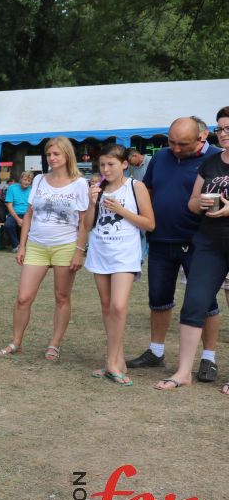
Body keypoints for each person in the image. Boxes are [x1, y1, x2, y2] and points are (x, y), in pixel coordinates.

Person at [128, 117, 221, 382]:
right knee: (159, 298)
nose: (176, 149)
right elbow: (148, 190)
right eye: (171, 142)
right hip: (161, 239)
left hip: (200, 242)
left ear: (201, 138)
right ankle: (156, 351)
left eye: (183, 144)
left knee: (205, 302)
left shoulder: (216, 159)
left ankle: (208, 358)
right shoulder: (161, 157)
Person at [0, 136, 89, 360]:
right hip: (37, 245)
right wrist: (22, 245)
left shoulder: (79, 183)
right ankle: (16, 342)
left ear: (67, 155)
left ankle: (54, 344)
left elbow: (84, 221)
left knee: (61, 297)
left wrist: (79, 250)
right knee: (23, 297)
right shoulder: (39, 180)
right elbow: (29, 214)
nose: (52, 158)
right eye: (48, 154)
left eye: (56, 154)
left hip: (65, 245)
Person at [156, 109, 229, 391]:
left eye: (228, 129)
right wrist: (201, 204)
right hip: (209, 242)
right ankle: (183, 372)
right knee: (194, 303)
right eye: (220, 128)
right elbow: (192, 201)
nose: (223, 133)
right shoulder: (211, 162)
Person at [83, 144, 156, 386]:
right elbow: (87, 226)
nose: (106, 169)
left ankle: (111, 361)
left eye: (111, 164)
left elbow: (149, 224)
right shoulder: (97, 188)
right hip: (100, 252)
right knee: (107, 307)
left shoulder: (136, 187)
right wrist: (92, 203)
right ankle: (118, 360)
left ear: (124, 164)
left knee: (118, 306)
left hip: (125, 254)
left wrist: (121, 210)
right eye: (102, 164)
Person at [4, 172, 33, 251]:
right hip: (15, 213)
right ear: (20, 179)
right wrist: (18, 219)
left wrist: (27, 218)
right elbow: (9, 205)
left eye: (29, 180)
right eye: (25, 180)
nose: (26, 182)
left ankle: (27, 246)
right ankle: (16, 246)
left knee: (35, 226)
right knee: (8, 225)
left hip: (28, 214)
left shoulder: (32, 189)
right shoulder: (12, 188)